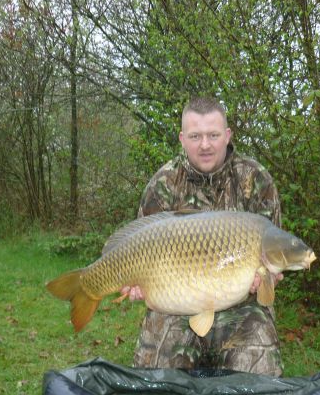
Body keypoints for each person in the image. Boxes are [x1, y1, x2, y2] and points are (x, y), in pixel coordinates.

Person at [121, 96, 284, 377]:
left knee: (259, 378)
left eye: (213, 135)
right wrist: (136, 282)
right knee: (154, 381)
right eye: (195, 136)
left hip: (242, 305)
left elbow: (274, 248)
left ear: (227, 135)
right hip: (175, 306)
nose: (205, 145)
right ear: (182, 139)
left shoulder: (256, 179)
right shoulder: (163, 184)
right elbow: (140, 247)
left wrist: (269, 276)